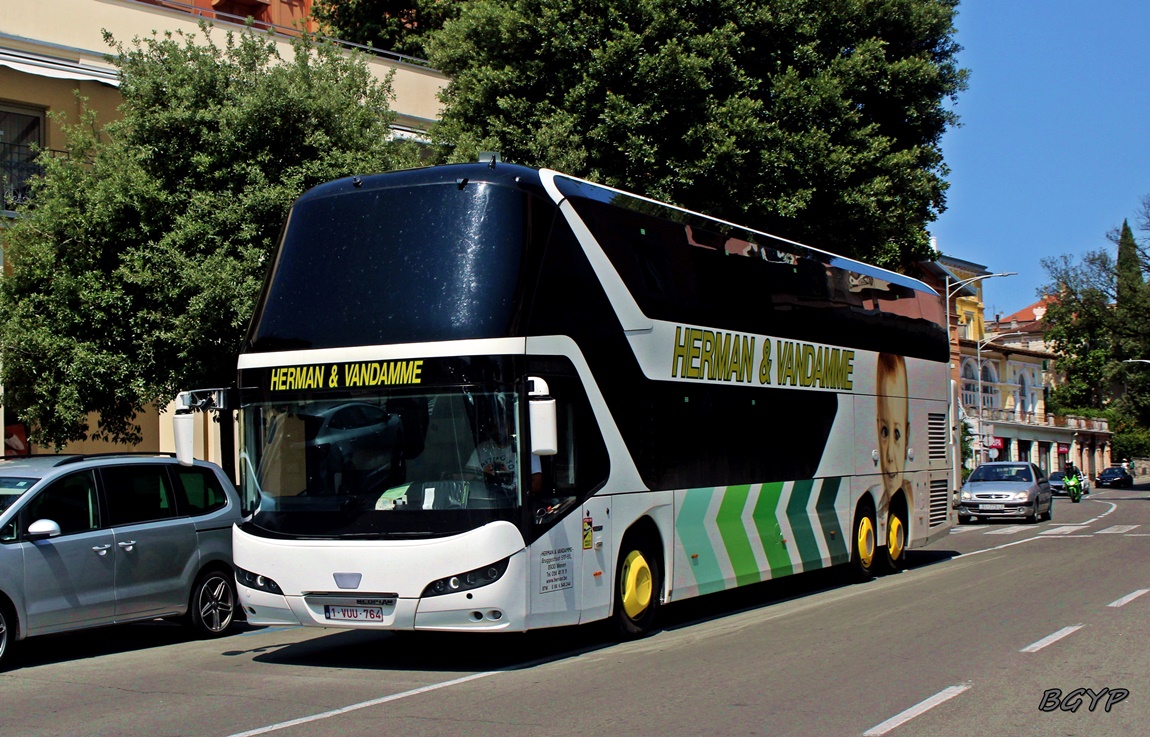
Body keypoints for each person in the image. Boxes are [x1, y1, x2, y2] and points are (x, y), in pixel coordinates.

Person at [874, 353, 913, 520]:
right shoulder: (878, 501)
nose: (889, 455)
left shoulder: (909, 496)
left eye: (897, 434)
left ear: (907, 436)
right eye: (884, 432)